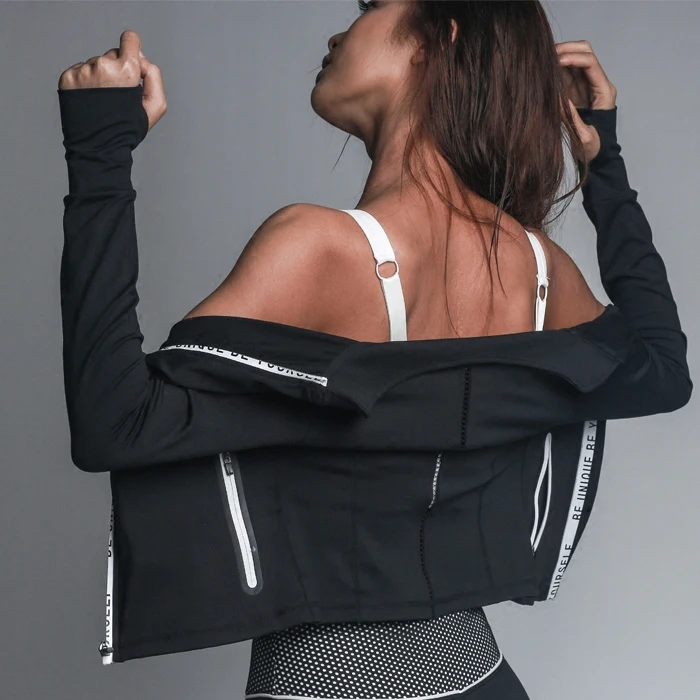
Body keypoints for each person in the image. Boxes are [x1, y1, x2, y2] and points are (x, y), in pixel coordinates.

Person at [55, 1, 688, 697]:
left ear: (437, 38)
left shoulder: (316, 247)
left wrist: (99, 147)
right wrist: (603, 163)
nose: (338, 31)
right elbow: (664, 372)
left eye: (371, 4)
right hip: (481, 677)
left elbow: (116, 421)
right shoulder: (540, 271)